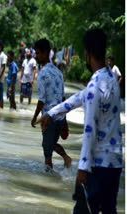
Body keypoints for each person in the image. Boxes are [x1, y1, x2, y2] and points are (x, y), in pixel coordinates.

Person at [36, 29, 122, 214]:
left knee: (83, 210)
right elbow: (78, 97)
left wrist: (82, 168)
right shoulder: (111, 79)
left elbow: (89, 130)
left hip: (96, 164)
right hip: (115, 162)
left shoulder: (94, 86)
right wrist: (52, 112)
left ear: (88, 52)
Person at [31, 38, 72, 172]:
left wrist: (35, 117)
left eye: (38, 53)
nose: (36, 56)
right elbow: (63, 97)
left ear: (46, 53)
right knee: (51, 144)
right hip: (60, 117)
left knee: (47, 152)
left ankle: (47, 183)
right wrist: (64, 118)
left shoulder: (42, 74)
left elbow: (41, 100)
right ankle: (66, 158)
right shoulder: (58, 72)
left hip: (49, 118)